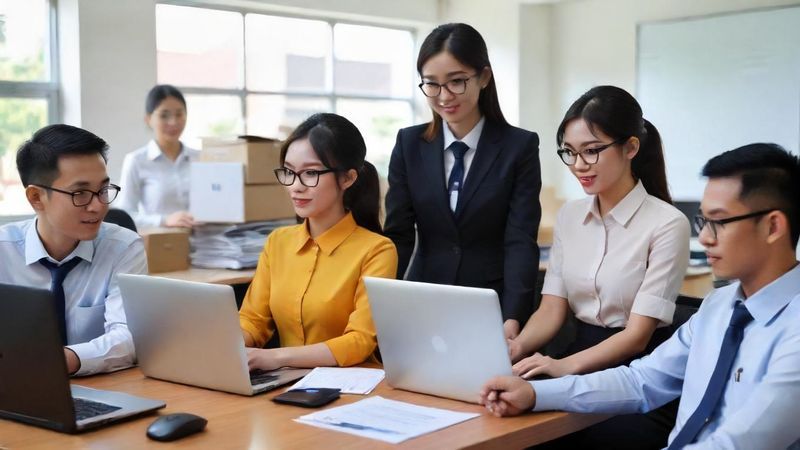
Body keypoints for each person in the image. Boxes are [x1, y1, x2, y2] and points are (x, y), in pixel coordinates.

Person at [481, 144, 800, 450]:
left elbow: (740, 444)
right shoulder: (719, 306)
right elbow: (641, 381)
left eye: (719, 222)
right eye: (703, 221)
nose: (704, 237)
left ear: (773, 226)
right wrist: (535, 393)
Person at [509, 86, 690, 379]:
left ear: (630, 148)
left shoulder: (668, 224)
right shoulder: (569, 215)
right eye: (570, 152)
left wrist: (563, 366)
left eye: (592, 151)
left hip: (638, 369)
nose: (579, 165)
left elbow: (636, 336)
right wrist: (515, 348)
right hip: (577, 354)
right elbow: (551, 310)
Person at [383, 23, 541, 339]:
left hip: (490, 303)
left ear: (483, 77)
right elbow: (398, 235)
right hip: (424, 299)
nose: (444, 96)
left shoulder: (518, 147)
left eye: (456, 81)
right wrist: (385, 303)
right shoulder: (409, 144)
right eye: (432, 84)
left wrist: (513, 315)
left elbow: (520, 240)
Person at [239, 113, 397, 370]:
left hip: (349, 383)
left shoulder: (377, 250)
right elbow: (253, 320)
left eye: (310, 173)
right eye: (289, 172)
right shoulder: (278, 242)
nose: (296, 186)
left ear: (347, 178)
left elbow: (359, 340)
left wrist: (276, 357)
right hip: (283, 381)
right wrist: (227, 343)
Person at [0, 124, 146, 376]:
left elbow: (130, 335)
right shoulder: (4, 252)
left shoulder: (124, 248)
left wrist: (60, 360)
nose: (98, 206)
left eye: (103, 190)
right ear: (36, 197)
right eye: (80, 193)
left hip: (99, 386)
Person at [117, 84, 199, 229]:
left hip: (204, 240)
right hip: (160, 240)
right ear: (148, 119)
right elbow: (124, 216)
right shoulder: (136, 161)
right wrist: (163, 220)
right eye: (164, 115)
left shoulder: (200, 158)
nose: (173, 122)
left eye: (179, 114)